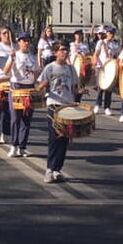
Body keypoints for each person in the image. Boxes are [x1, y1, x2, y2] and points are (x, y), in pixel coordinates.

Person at [38, 40, 78, 183]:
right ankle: (49, 169)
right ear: (55, 52)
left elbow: (74, 87)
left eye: (66, 49)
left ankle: (57, 169)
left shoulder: (71, 69)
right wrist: (44, 84)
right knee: (55, 137)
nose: (65, 52)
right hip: (54, 105)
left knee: (65, 139)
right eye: (62, 49)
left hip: (67, 106)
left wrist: (79, 94)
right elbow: (40, 86)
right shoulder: (50, 68)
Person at [4, 32, 38, 158]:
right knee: (15, 118)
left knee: (26, 119)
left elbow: (36, 73)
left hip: (29, 87)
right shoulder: (15, 55)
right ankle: (14, 145)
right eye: (23, 41)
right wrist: (12, 60)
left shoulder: (32, 57)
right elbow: (6, 71)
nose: (26, 43)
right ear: (19, 42)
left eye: (27, 40)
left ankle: (22, 146)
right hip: (17, 86)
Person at [93, 26, 120, 116]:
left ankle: (107, 107)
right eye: (109, 33)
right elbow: (96, 54)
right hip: (101, 67)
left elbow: (117, 56)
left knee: (109, 88)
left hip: (110, 68)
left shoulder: (115, 44)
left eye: (112, 34)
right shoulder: (101, 42)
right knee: (101, 87)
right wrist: (96, 63)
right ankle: (97, 104)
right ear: (106, 34)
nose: (111, 35)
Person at [69, 29, 90, 102]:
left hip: (82, 66)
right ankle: (73, 99)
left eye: (80, 34)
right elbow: (68, 55)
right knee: (74, 84)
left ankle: (78, 100)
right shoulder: (71, 44)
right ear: (75, 36)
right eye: (77, 34)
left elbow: (87, 55)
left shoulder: (85, 45)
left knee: (81, 83)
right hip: (74, 65)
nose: (79, 36)